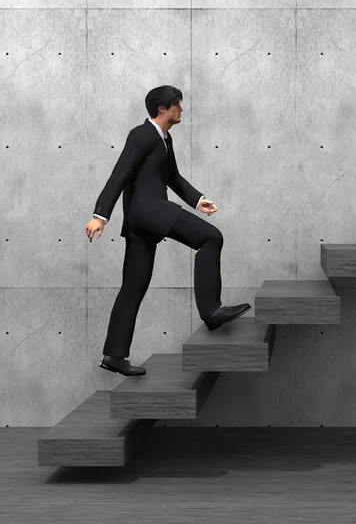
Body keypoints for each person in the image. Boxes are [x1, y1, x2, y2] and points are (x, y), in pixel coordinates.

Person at [84, 86, 250, 376]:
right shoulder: (141, 135)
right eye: (177, 105)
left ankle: (114, 355)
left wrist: (198, 200)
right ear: (162, 109)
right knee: (211, 237)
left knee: (134, 286)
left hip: (142, 219)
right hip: (148, 211)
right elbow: (119, 174)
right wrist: (100, 215)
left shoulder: (164, 138)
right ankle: (211, 310)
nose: (181, 109)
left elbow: (172, 176)